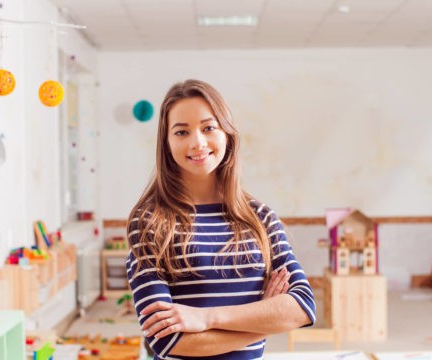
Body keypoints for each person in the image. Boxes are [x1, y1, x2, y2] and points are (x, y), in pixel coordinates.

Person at [126, 79, 316, 359]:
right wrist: (263, 319)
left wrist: (207, 318)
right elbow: (168, 341)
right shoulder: (149, 223)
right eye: (181, 132)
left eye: (208, 127)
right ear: (166, 143)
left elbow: (301, 307)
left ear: (227, 133)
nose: (197, 142)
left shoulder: (259, 217)